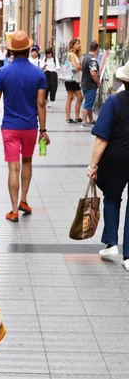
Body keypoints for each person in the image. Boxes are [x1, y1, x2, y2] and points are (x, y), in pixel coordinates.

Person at [0, 30, 50, 222]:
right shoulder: (38, 73)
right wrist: (43, 130)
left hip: (10, 127)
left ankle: (14, 210)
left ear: (12, 51)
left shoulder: (3, 72)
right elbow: (41, 104)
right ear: (29, 49)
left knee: (13, 168)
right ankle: (24, 200)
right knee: (27, 162)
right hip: (30, 126)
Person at [87, 60, 129, 271]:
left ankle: (112, 243)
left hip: (117, 158)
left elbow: (102, 137)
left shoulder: (114, 102)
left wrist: (93, 165)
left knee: (112, 198)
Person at [81, 40, 100, 128]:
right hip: (90, 84)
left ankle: (91, 119)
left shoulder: (85, 58)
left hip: (85, 83)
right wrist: (97, 82)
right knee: (88, 103)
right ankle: (84, 121)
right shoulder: (92, 59)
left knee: (89, 103)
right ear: (97, 49)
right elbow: (93, 73)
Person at [65, 38, 83, 124]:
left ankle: (76, 117)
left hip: (74, 79)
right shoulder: (71, 55)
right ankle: (69, 117)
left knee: (78, 97)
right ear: (73, 45)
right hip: (71, 79)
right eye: (77, 44)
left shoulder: (75, 55)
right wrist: (79, 66)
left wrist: (79, 66)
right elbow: (76, 68)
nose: (79, 45)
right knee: (71, 97)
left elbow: (79, 67)